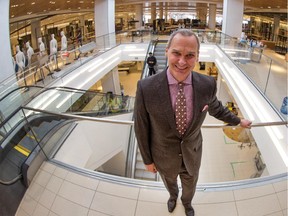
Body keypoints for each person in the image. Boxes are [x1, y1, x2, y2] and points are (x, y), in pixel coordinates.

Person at [134, 29, 252, 216]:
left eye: (190, 55)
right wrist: (147, 160)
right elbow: (141, 127)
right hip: (163, 155)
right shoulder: (146, 88)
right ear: (167, 51)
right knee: (170, 182)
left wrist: (238, 120)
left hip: (192, 153)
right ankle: (173, 197)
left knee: (190, 185)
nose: (182, 61)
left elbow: (217, 109)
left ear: (197, 57)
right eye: (177, 53)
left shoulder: (207, 85)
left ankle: (186, 203)